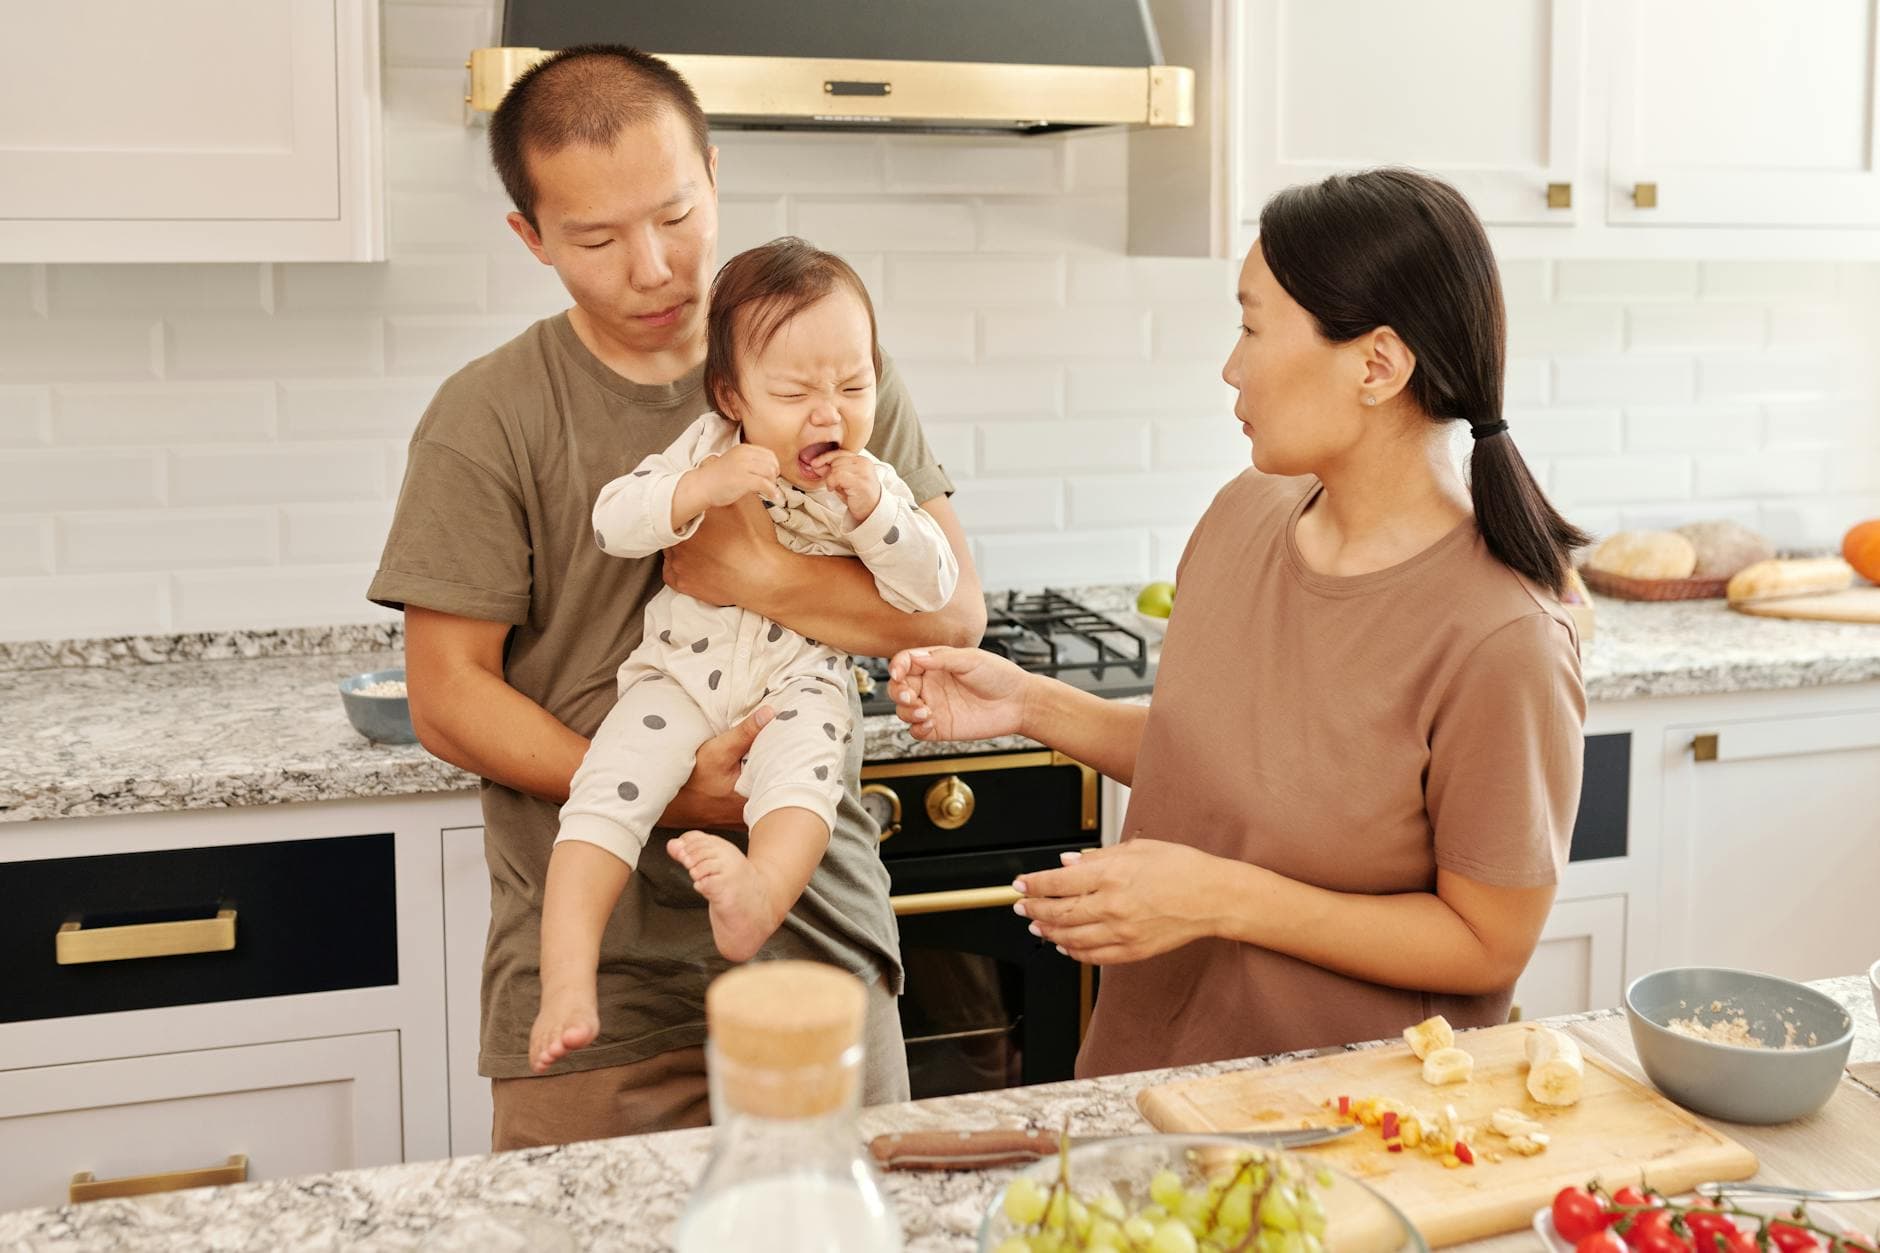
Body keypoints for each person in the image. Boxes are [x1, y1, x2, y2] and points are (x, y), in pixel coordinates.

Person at [368, 45, 985, 1149]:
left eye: (675, 215)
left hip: (819, 934)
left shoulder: (830, 369)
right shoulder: (488, 414)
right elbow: (444, 695)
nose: (652, 268)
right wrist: (675, 791)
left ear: (713, 174)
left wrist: (760, 575)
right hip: (598, 984)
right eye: (595, 240)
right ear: (530, 237)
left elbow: (953, 612)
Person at [889, 168, 1587, 1074]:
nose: (1231, 363)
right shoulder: (1243, 514)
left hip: (1343, 1122)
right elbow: (1225, 761)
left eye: (1253, 325)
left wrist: (1222, 898)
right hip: (1144, 1075)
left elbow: (1487, 943)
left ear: (1377, 364)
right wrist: (1028, 704)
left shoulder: (1505, 638)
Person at [531, 238, 958, 1073]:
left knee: (806, 780)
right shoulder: (706, 448)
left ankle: (761, 895)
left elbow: (934, 591)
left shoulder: (874, 482)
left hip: (801, 682)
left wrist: (880, 516)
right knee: (604, 797)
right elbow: (615, 520)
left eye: (853, 386)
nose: (828, 414)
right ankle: (566, 977)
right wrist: (697, 490)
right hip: (681, 676)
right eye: (795, 391)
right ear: (733, 393)